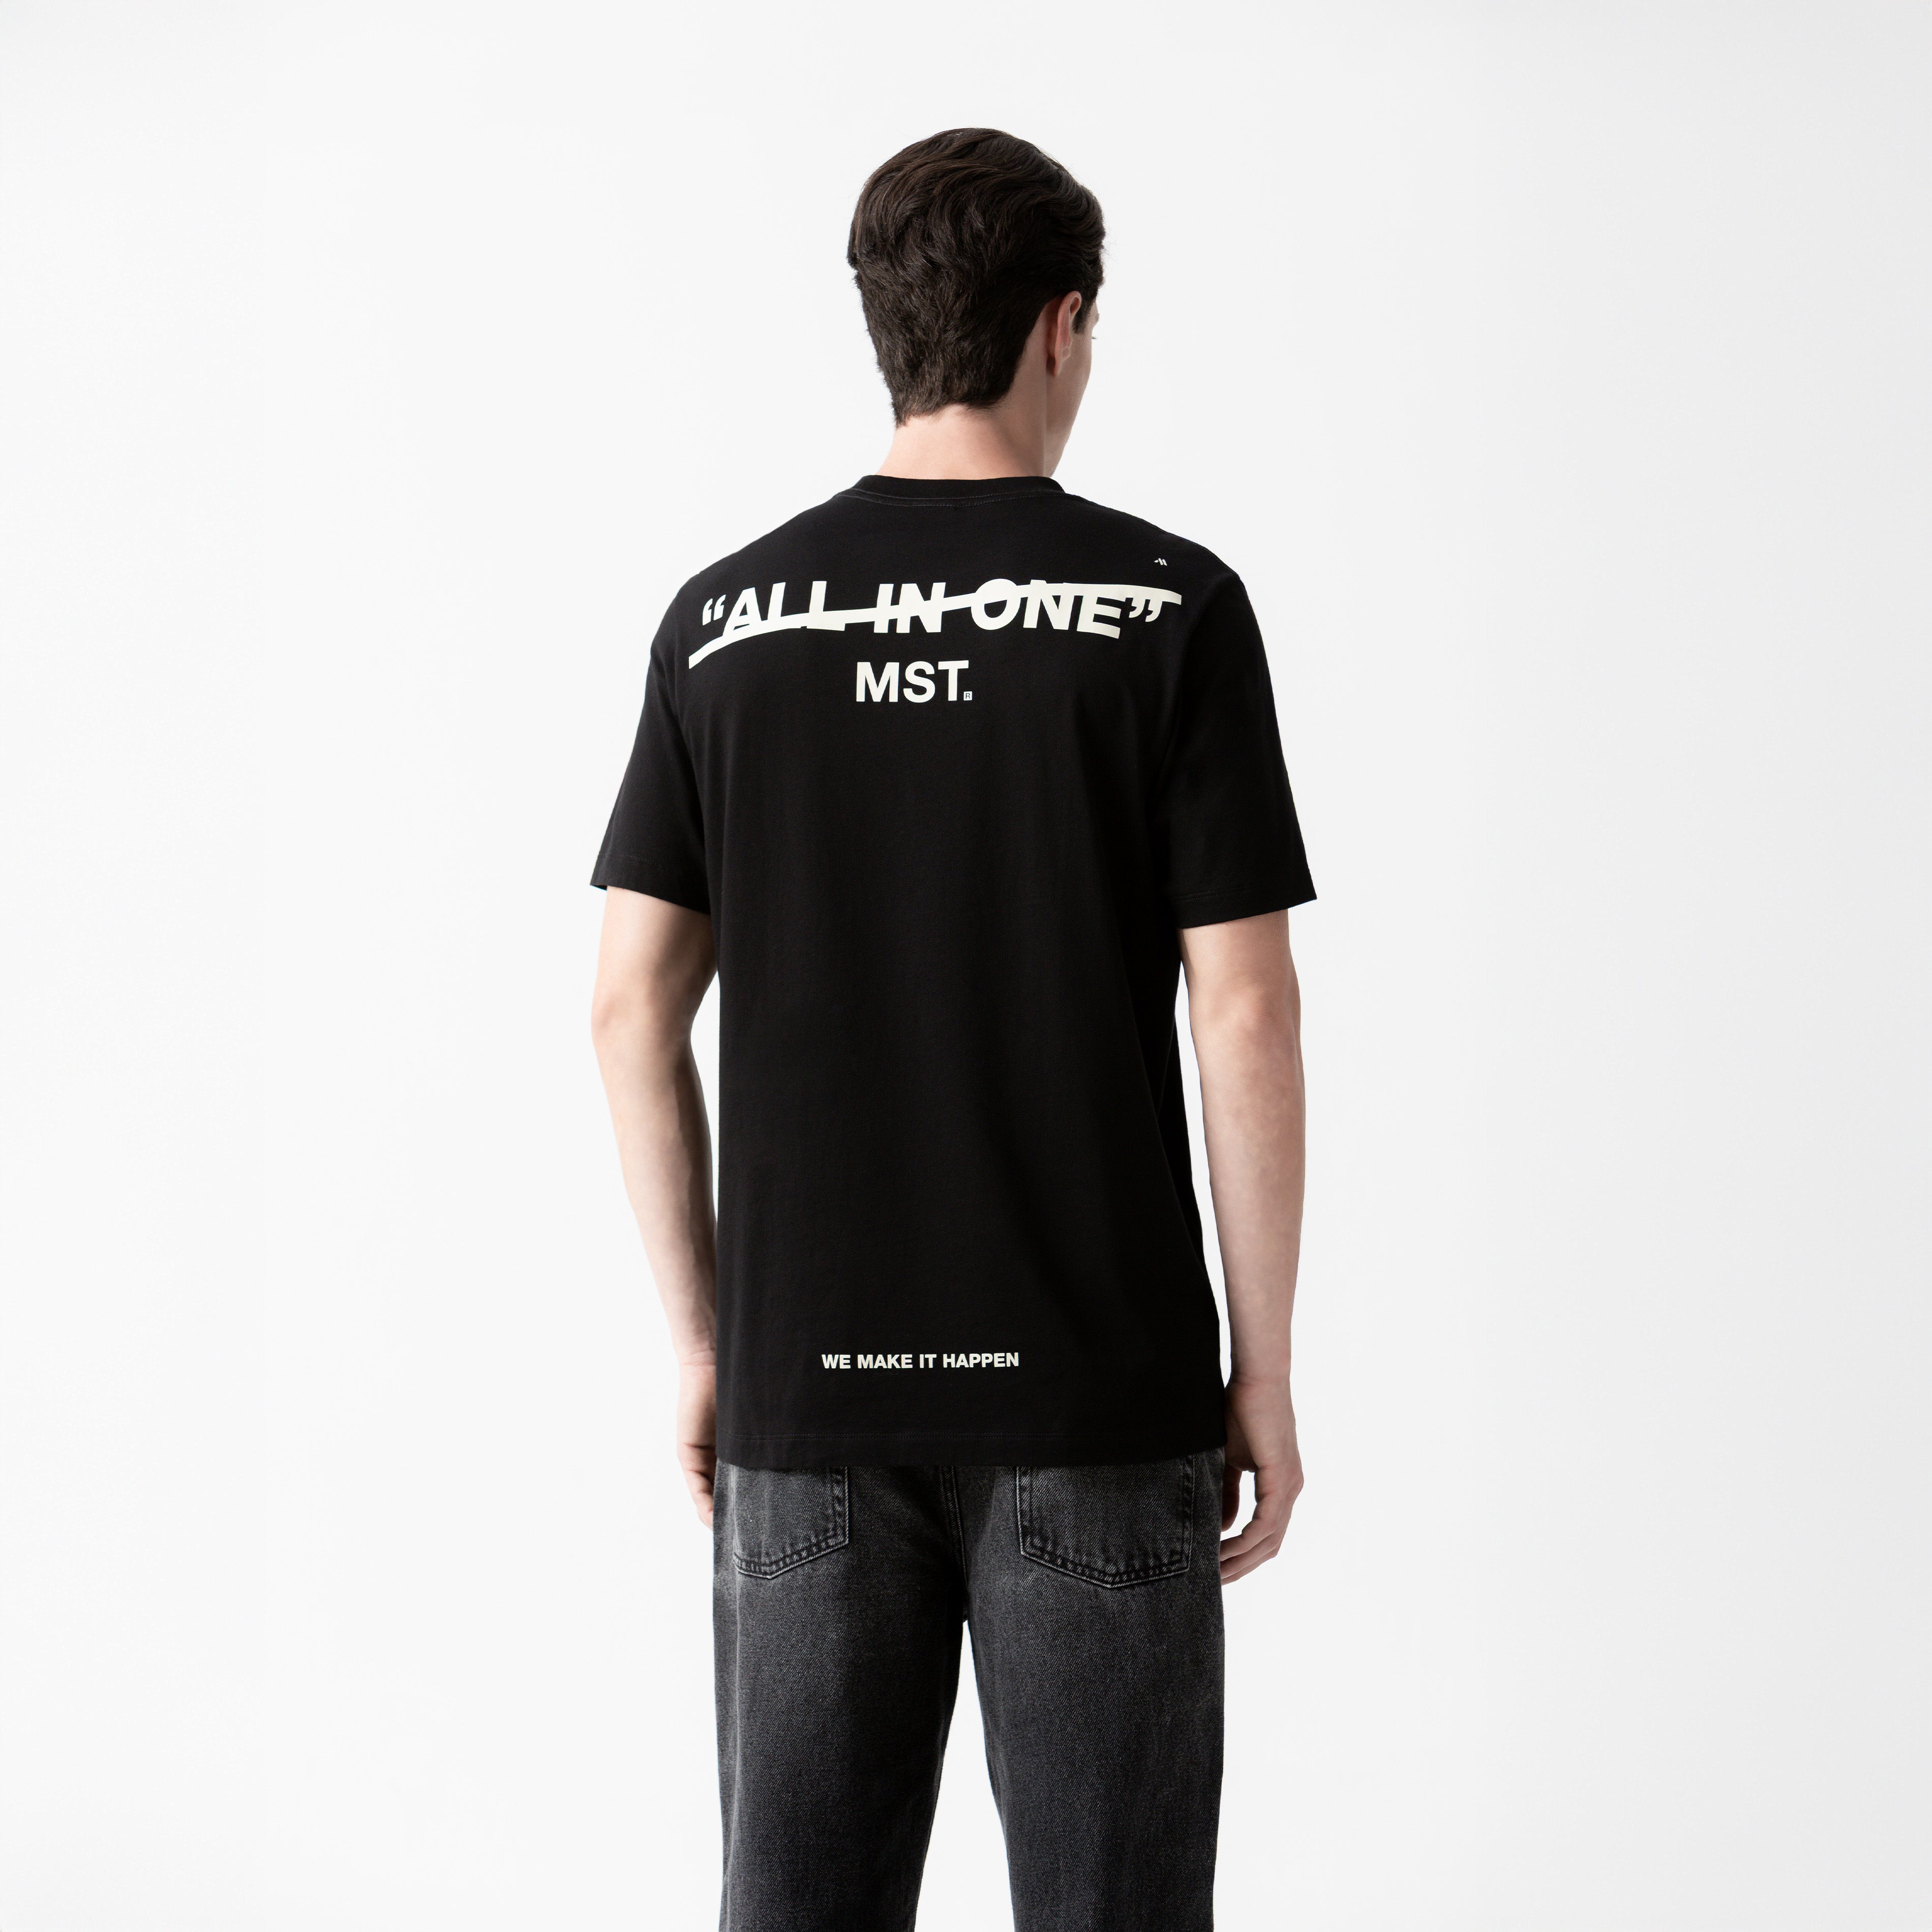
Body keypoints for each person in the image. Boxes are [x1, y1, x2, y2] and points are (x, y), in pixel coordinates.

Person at [590, 127, 1313, 1932]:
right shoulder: (1171, 608)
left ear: (886, 325)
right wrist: (1264, 1365)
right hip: (1101, 1392)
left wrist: (707, 1341)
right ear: (1062, 323)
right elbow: (1243, 1004)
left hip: (807, 1399)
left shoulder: (721, 626)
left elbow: (627, 1009)